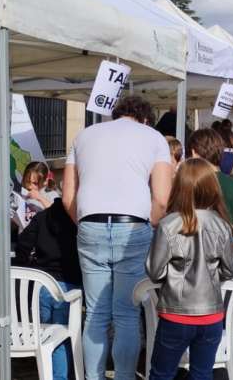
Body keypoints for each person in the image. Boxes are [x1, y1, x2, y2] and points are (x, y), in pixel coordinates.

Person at [62, 95, 173, 380]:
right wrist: (147, 223)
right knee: (125, 314)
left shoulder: (84, 135)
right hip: (133, 225)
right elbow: (161, 198)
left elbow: (67, 197)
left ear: (116, 114)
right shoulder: (154, 137)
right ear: (145, 118)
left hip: (89, 223)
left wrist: (84, 222)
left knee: (95, 315)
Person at [145, 157, 233, 380]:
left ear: (180, 187)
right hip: (211, 313)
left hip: (176, 312)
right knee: (202, 374)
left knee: (161, 374)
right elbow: (229, 270)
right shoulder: (222, 225)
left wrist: (173, 273)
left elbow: (154, 271)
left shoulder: (169, 224)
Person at [15, 197, 81, 380]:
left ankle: (49, 374)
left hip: (42, 285)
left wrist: (28, 264)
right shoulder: (77, 219)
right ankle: (60, 376)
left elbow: (23, 245)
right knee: (62, 336)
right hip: (69, 287)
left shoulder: (42, 217)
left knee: (46, 336)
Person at [187, 129, 233, 241]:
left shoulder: (190, 182)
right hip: (225, 250)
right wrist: (226, 230)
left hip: (196, 249)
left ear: (194, 152)